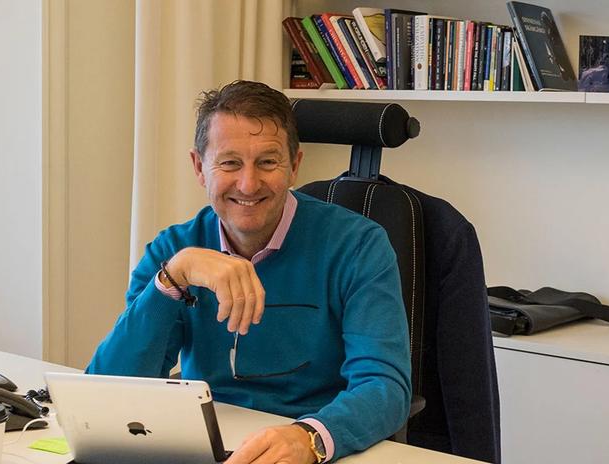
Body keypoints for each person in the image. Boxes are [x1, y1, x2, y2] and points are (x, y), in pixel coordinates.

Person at [87, 80, 411, 463]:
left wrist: (310, 438)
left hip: (310, 447)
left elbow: (385, 386)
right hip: (207, 446)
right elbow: (108, 390)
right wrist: (175, 277)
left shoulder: (358, 246)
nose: (248, 183)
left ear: (294, 166)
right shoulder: (173, 251)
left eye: (268, 162)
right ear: (199, 167)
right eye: (230, 162)